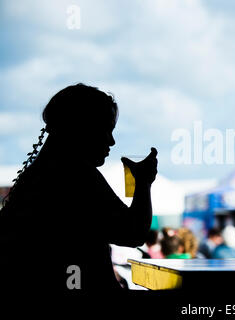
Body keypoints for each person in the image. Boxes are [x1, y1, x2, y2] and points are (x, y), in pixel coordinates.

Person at [0, 83, 158, 293]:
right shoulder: (76, 175)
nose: (111, 141)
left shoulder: (38, 175)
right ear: (83, 127)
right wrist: (144, 182)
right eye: (106, 129)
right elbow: (133, 233)